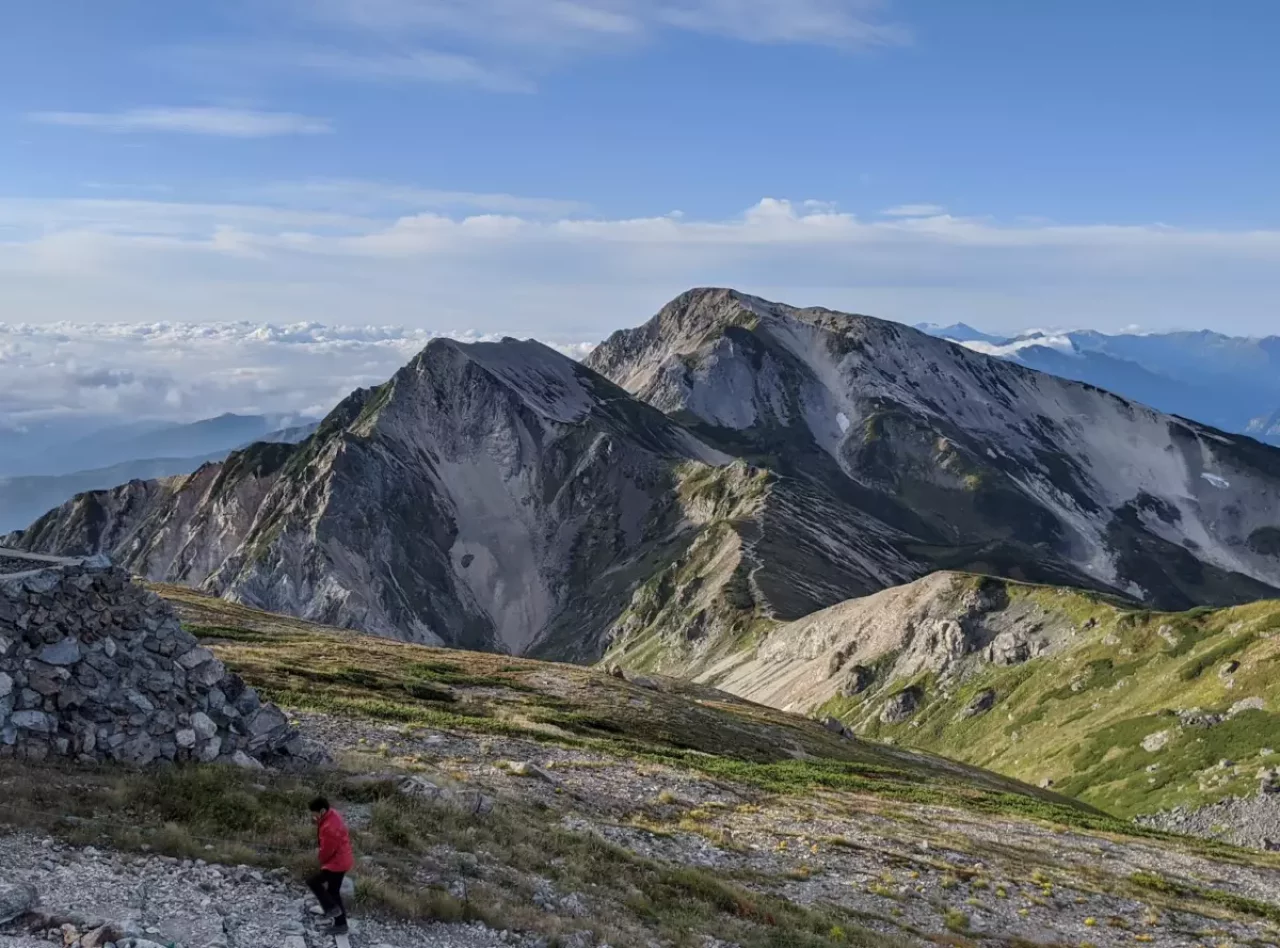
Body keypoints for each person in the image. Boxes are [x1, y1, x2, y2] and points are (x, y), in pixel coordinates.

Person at [307, 796, 354, 935]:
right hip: (343, 859)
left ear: (321, 810)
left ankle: (332, 910)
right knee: (333, 892)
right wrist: (318, 821)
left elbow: (327, 851)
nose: (313, 816)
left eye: (314, 813)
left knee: (313, 882)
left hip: (336, 863)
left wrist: (320, 859)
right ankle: (340, 923)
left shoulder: (329, 828)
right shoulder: (331, 814)